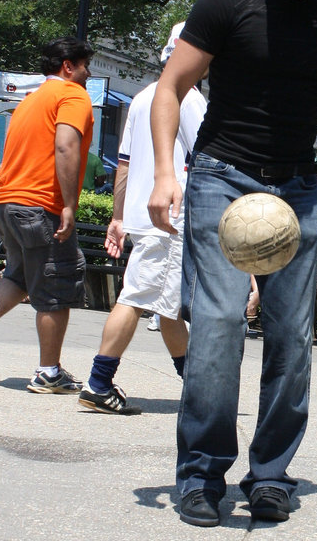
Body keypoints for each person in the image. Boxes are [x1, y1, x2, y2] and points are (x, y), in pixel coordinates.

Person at [149, 0, 317, 527]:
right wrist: (166, 172)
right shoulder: (227, 2)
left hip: (295, 185)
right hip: (222, 174)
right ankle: (200, 474)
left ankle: (269, 474)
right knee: (216, 326)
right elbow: (169, 88)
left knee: (293, 337)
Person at [0, 37, 94, 393]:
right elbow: (65, 144)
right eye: (85, 65)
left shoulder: (29, 102)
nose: (88, 73)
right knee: (57, 285)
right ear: (68, 66)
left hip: (5, 204)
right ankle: (49, 372)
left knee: (20, 276)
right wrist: (70, 205)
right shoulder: (72, 95)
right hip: (40, 205)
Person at [79, 23, 207, 414]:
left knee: (165, 305)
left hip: (142, 213)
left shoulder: (142, 98)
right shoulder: (190, 100)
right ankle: (99, 381)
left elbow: (123, 165)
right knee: (135, 298)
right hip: (170, 217)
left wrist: (118, 217)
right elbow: (205, 164)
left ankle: (197, 389)